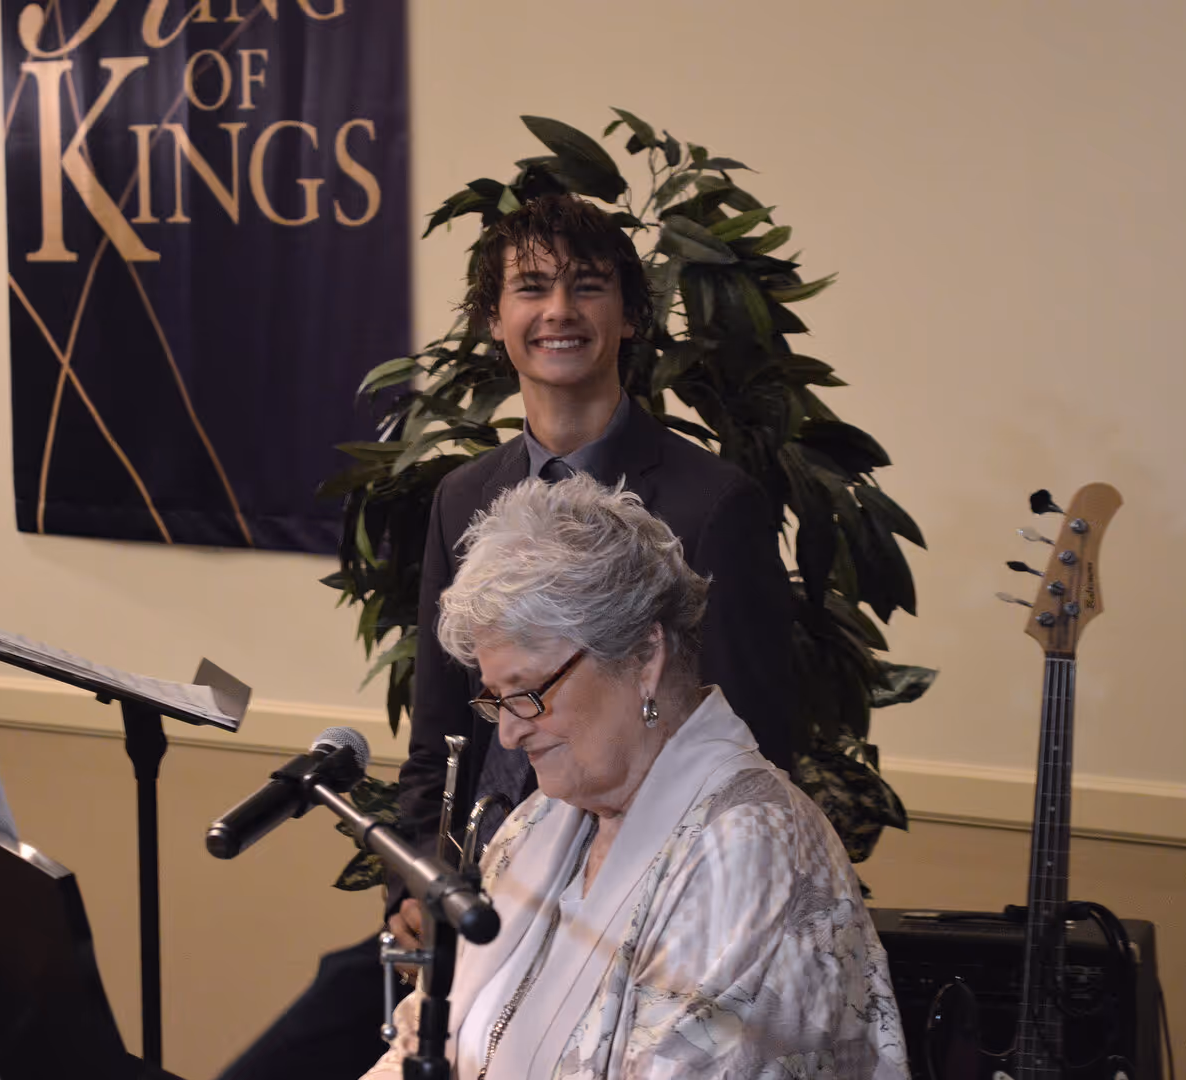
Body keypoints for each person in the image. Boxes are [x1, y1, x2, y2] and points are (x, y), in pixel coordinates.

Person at [217, 194, 800, 1080]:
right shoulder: (461, 498)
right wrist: (417, 881)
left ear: (631, 315)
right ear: (496, 320)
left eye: (588, 287)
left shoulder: (715, 505)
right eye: (531, 288)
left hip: (628, 911)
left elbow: (759, 746)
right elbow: (438, 733)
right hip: (484, 894)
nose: (559, 311)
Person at [363, 475, 906, 1079]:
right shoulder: (539, 820)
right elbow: (420, 1036)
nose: (510, 734)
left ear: (645, 658)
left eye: (528, 693)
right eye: (495, 700)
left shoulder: (749, 846)